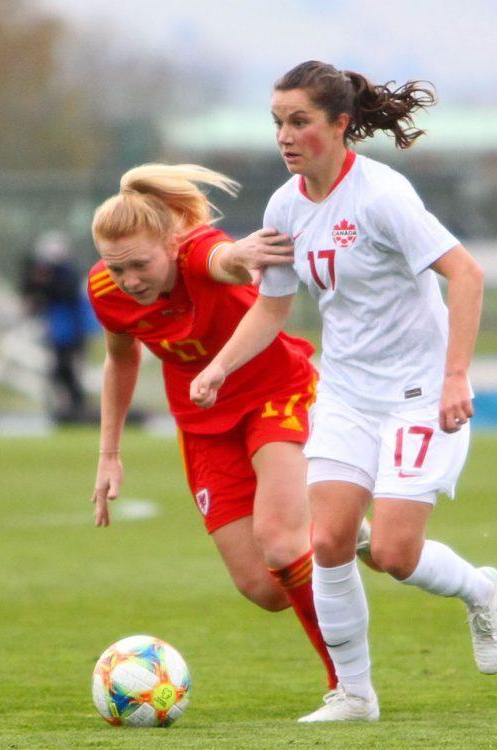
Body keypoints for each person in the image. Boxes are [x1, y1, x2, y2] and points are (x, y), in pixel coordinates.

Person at [190, 60, 497, 722]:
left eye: (299, 121)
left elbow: (468, 274)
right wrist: (220, 366)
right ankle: (354, 694)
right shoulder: (283, 206)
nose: (284, 135)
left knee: (393, 553)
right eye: (277, 122)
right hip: (344, 395)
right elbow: (273, 308)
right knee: (330, 541)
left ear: (340, 126)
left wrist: (455, 377)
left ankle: (480, 589)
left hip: (419, 393)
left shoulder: (382, 196)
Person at [88, 163, 341, 693]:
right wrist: (109, 454)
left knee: (278, 540)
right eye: (118, 269)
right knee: (264, 588)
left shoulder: (199, 252)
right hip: (204, 424)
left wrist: (241, 255)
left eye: (140, 264)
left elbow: (223, 258)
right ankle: (336, 533)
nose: (130, 281)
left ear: (170, 242)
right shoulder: (106, 290)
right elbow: (121, 359)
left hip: (275, 392)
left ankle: (347, 682)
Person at [20, 231, 96, 423]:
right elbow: (30, 292)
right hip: (57, 331)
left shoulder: (68, 274)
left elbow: (64, 292)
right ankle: (70, 406)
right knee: (59, 370)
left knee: (67, 369)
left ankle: (77, 406)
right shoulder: (47, 275)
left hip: (73, 331)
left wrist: (44, 283)